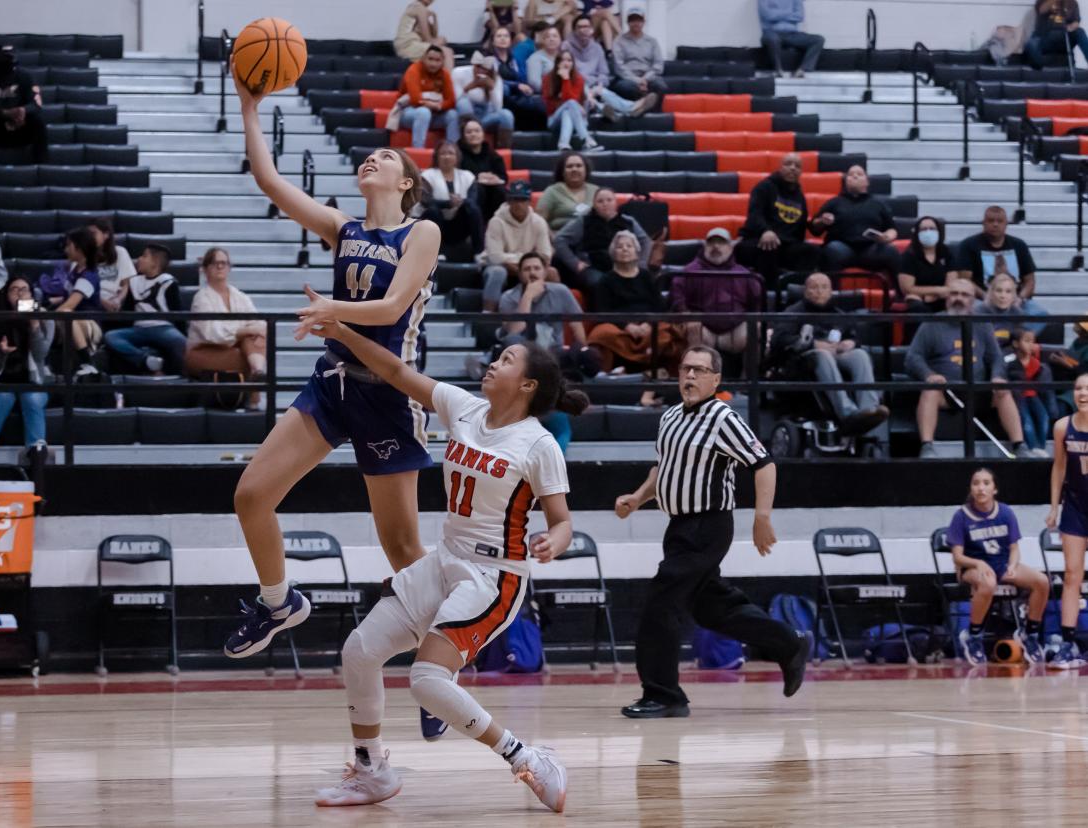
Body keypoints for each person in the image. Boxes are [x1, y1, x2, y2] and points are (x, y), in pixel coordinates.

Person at [227, 73, 443, 717]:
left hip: (388, 393)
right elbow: (269, 181)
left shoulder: (421, 233)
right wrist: (249, 107)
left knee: (403, 551)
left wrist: (334, 312)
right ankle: (278, 602)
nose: (371, 157)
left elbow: (396, 305)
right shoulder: (344, 227)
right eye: (369, 154)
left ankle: (442, 664)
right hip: (334, 381)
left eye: (387, 157)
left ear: (405, 182)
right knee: (250, 495)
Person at [306, 319, 584, 812]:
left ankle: (527, 758)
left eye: (506, 360)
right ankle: (372, 771)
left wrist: (554, 543)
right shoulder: (465, 407)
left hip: (493, 577)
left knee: (426, 680)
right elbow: (394, 369)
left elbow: (561, 520)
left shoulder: (538, 445)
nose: (493, 363)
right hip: (445, 561)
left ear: (527, 385)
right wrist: (343, 333)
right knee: (360, 652)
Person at [614, 345, 810, 718]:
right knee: (713, 608)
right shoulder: (670, 416)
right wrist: (638, 498)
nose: (690, 376)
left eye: (700, 371)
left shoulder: (723, 418)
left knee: (661, 602)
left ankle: (664, 694)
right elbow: (664, 468)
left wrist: (762, 517)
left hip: (708, 524)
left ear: (715, 379)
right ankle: (789, 643)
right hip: (679, 527)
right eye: (686, 368)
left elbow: (763, 463)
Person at [905, 279, 1029, 459]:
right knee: (929, 391)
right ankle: (927, 447)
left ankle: (1019, 445)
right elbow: (912, 358)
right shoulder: (931, 324)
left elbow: (996, 357)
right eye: (954, 294)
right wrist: (929, 375)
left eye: (964, 295)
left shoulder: (982, 324)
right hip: (946, 390)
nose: (958, 299)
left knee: (1003, 390)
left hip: (978, 388)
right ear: (947, 297)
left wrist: (996, 376)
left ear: (973, 300)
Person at [948, 467, 1049, 665]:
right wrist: (978, 563)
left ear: (994, 489)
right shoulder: (961, 516)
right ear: (971, 488)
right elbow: (957, 557)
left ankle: (1030, 634)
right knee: (988, 582)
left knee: (1042, 581)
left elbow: (1014, 548)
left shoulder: (1005, 512)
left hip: (1001, 563)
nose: (980, 488)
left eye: (986, 483)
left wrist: (1012, 565)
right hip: (971, 567)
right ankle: (973, 637)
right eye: (976, 483)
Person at [770, 272, 889, 434]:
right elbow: (780, 340)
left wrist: (850, 343)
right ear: (806, 291)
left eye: (824, 287)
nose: (819, 291)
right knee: (823, 355)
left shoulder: (838, 313)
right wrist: (814, 343)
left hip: (836, 354)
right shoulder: (793, 312)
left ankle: (868, 410)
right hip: (804, 360)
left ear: (831, 291)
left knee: (859, 356)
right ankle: (847, 413)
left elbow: (853, 336)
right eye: (814, 287)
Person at [587, 230, 685, 404]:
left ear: (636, 251)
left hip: (649, 328)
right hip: (621, 331)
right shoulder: (605, 280)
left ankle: (663, 376)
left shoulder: (647, 276)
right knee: (600, 334)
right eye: (620, 246)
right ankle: (607, 380)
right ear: (613, 252)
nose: (625, 249)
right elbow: (602, 311)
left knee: (666, 331)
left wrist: (648, 324)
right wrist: (627, 326)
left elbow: (660, 307)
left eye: (629, 246)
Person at [0, 276, 52, 466]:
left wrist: (34, 327)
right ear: (6, 295)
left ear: (32, 294)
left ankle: (36, 450)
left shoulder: (45, 319)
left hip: (34, 380)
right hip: (3, 380)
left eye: (24, 289)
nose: (20, 293)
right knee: (2, 398)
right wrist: (1, 352)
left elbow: (41, 354)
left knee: (31, 397)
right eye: (14, 289)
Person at [185, 248, 267, 406]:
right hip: (203, 351)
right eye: (215, 263)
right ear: (205, 268)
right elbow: (213, 334)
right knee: (245, 352)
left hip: (234, 348)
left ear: (229, 267)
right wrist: (244, 331)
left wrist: (254, 332)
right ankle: (255, 385)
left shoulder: (240, 296)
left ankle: (257, 371)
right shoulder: (201, 298)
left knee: (255, 339)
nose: (220, 267)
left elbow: (258, 323)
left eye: (223, 263)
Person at [671, 227, 764, 355]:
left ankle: (749, 375)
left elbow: (756, 305)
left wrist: (756, 321)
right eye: (711, 242)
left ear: (731, 247)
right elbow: (677, 299)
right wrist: (688, 316)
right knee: (692, 327)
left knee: (755, 327)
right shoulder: (689, 271)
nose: (716, 246)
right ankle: (695, 374)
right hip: (702, 331)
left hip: (736, 332)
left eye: (721, 242)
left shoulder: (745, 274)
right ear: (705, 246)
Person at [1048, 372, 1088, 667]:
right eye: (1078, 388)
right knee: (1072, 574)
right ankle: (1067, 643)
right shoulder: (1063, 427)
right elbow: (1059, 469)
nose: (1082, 393)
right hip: (1075, 507)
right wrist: (1054, 506)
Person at [736, 152, 819, 285]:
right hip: (758, 240)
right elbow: (755, 215)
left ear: (801, 172)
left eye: (797, 166)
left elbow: (800, 226)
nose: (793, 168)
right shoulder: (764, 187)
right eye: (788, 164)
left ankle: (796, 293)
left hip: (786, 245)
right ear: (780, 168)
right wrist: (766, 230)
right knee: (770, 246)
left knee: (811, 251)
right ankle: (769, 295)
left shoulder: (800, 196)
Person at [103, 244, 186, 376]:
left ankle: (181, 377)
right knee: (111, 336)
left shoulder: (168, 282)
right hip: (139, 329)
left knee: (180, 341)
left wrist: (184, 334)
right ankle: (146, 360)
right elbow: (128, 312)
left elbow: (178, 313)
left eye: (144, 256)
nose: (139, 259)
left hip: (163, 327)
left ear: (155, 263)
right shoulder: (134, 282)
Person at [809, 165, 901, 277]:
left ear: (867, 181)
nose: (855, 176)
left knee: (891, 252)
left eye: (859, 174)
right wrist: (822, 221)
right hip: (841, 248)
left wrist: (886, 237)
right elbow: (814, 228)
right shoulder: (834, 202)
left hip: (870, 249)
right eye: (851, 175)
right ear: (846, 181)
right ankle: (831, 293)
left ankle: (903, 293)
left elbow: (892, 229)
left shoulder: (878, 204)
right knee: (830, 250)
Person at [552, 187, 649, 291]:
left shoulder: (628, 221)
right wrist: (575, 263)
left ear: (616, 203)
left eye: (609, 200)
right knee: (600, 284)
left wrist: (641, 264)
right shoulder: (583, 221)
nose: (605, 204)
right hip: (593, 268)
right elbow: (559, 239)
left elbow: (645, 241)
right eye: (600, 201)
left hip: (624, 266)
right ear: (594, 204)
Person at [567, 15, 657, 120]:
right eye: (580, 27)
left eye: (587, 27)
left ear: (592, 30)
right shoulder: (566, 46)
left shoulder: (597, 48)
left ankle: (605, 108)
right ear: (574, 30)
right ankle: (627, 108)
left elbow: (603, 72)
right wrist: (588, 88)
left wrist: (600, 85)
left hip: (594, 86)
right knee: (588, 90)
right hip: (576, 86)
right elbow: (568, 72)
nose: (584, 30)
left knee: (603, 91)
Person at [483, 180, 555, 310]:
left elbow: (545, 256)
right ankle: (487, 315)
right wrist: (524, 262)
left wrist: (523, 266)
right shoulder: (496, 222)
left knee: (551, 272)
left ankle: (552, 315)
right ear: (508, 201)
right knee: (497, 272)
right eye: (514, 199)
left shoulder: (539, 222)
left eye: (522, 200)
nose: (518, 204)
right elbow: (495, 257)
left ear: (529, 201)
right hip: (501, 267)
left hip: (527, 265)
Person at [952, 206, 1042, 308]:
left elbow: (1030, 280)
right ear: (983, 223)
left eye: (1000, 221)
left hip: (1016, 301)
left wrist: (1020, 299)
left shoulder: (1019, 245)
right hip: (982, 300)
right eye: (991, 221)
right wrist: (987, 297)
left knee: (1040, 314)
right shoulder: (969, 245)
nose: (995, 224)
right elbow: (966, 281)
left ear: (1006, 224)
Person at [44, 227, 104, 375]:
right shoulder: (73, 268)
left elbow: (70, 304)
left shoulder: (89, 276)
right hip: (71, 321)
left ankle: (88, 363)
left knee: (65, 314)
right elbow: (65, 298)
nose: (65, 249)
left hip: (89, 325)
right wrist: (39, 305)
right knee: (34, 311)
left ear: (80, 248)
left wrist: (46, 316)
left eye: (69, 245)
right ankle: (42, 364)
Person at [417, 141, 485, 261]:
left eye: (451, 153)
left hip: (457, 226)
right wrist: (448, 203)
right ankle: (436, 251)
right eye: (443, 153)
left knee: (472, 208)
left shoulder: (468, 176)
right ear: (437, 157)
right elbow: (425, 201)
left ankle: (479, 252)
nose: (447, 156)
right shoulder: (427, 175)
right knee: (433, 211)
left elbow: (472, 200)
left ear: (457, 157)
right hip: (432, 223)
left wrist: (460, 202)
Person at [392, 46, 460, 151]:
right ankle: (418, 152)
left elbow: (451, 101)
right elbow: (415, 100)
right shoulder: (413, 70)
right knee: (423, 112)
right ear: (423, 58)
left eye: (437, 60)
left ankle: (453, 152)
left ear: (442, 61)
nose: (433, 63)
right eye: (430, 59)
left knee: (453, 115)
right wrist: (435, 105)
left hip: (434, 114)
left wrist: (438, 106)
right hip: (408, 113)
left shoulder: (445, 74)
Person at [1008, 326, 1056, 456]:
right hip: (1018, 397)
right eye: (1027, 341)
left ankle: (1041, 446)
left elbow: (1044, 384)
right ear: (1016, 343)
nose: (1031, 345)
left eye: (1033, 341)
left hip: (1033, 395)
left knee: (1043, 417)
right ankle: (1032, 447)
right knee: (1026, 420)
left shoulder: (1038, 364)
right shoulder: (1009, 361)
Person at [453, 52, 516, 149]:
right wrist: (470, 86)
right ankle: (465, 145)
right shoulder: (458, 72)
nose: (481, 71)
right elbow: (455, 100)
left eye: (485, 69)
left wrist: (492, 89)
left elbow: (498, 108)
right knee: (463, 103)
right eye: (478, 67)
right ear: (474, 65)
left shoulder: (496, 78)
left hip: (486, 116)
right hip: (466, 115)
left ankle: (504, 150)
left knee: (507, 115)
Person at [487, 26, 546, 127]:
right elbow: (493, 81)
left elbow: (523, 78)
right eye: (499, 36)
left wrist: (525, 87)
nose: (503, 39)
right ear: (493, 41)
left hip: (518, 94)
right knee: (504, 89)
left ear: (510, 40)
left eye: (506, 36)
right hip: (499, 95)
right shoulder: (488, 60)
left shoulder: (515, 60)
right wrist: (516, 85)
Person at [543, 49, 599, 152]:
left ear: (573, 63)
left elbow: (571, 100)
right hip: (554, 120)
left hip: (579, 120)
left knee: (568, 111)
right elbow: (550, 105)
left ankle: (563, 144)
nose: (566, 63)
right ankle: (586, 139)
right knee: (571, 104)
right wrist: (565, 79)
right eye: (562, 60)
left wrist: (566, 79)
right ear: (557, 63)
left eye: (569, 60)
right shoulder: (548, 78)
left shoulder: (578, 79)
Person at [458, 117, 510, 221]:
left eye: (477, 131)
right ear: (463, 136)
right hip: (467, 192)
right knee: (478, 189)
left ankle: (500, 223)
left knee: (500, 190)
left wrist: (495, 178)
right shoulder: (457, 153)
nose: (473, 134)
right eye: (469, 132)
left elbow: (504, 177)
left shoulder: (492, 154)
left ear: (483, 134)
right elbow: (456, 175)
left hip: (492, 193)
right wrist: (477, 177)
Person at [898, 216, 952, 314]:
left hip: (942, 297)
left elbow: (951, 285)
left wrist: (932, 296)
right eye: (924, 229)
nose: (928, 232)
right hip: (918, 297)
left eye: (932, 229)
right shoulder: (909, 255)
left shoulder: (946, 252)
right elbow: (907, 288)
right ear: (917, 233)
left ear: (939, 232)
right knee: (917, 307)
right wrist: (937, 290)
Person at [610, 10, 669, 102]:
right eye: (632, 20)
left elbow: (658, 65)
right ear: (628, 22)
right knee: (626, 87)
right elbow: (619, 67)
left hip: (649, 77)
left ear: (644, 22)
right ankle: (635, 112)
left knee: (661, 86)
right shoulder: (619, 41)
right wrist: (637, 80)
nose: (636, 23)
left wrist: (645, 78)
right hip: (627, 78)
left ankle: (654, 115)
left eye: (639, 20)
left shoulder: (652, 41)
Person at [758, 0, 825, 77]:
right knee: (773, 39)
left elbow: (799, 16)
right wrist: (789, 13)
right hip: (771, 33)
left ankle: (802, 70)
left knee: (818, 40)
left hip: (792, 34)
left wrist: (777, 14)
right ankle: (778, 70)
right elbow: (768, 15)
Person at [536, 151, 599, 232]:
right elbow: (538, 221)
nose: (574, 169)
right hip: (559, 239)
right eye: (569, 166)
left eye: (579, 166)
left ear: (586, 170)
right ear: (562, 172)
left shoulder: (596, 191)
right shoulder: (552, 191)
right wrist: (552, 237)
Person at [975, 272, 1041, 347]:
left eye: (1008, 291)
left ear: (1013, 295)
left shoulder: (1018, 313)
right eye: (999, 291)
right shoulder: (978, 312)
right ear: (991, 293)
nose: (1003, 296)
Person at [86, 217, 137, 313]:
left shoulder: (120, 252)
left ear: (106, 235)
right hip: (91, 301)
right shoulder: (83, 255)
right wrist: (103, 302)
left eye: (93, 234)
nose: (90, 238)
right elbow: (81, 287)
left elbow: (126, 284)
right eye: (88, 235)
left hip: (114, 302)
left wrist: (118, 299)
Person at [1026, 0, 1088, 69]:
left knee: (1080, 31)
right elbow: (1042, 10)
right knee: (1031, 43)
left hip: (1064, 37)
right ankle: (1039, 69)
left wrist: (1073, 26)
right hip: (1046, 37)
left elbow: (1076, 21)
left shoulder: (1072, 3)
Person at [394, 0, 453, 64]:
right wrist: (441, 41)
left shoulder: (419, 8)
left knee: (443, 44)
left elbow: (434, 35)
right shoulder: (419, 7)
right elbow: (428, 40)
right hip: (407, 46)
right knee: (446, 51)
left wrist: (434, 17)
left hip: (411, 45)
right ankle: (447, 74)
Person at [526, 23, 565, 88]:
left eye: (555, 36)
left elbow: (576, 78)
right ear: (543, 40)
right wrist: (555, 91)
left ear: (560, 39)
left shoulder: (565, 57)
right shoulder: (535, 58)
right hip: (546, 95)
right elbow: (534, 83)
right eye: (547, 37)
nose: (551, 39)